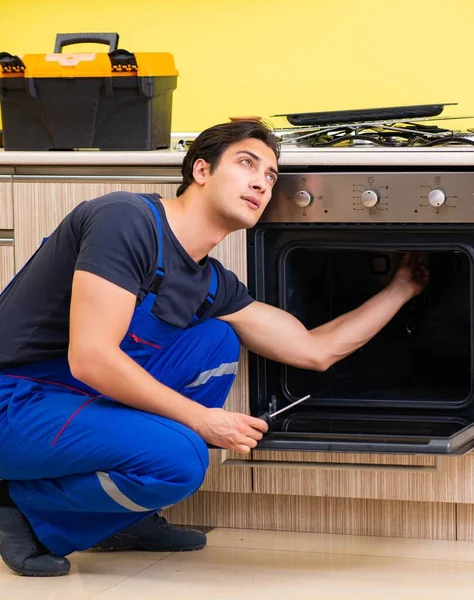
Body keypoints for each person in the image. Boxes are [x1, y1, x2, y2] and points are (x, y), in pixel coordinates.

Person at [0, 121, 429, 577]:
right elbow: (91, 357)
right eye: (247, 163)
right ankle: (20, 507)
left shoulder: (211, 283)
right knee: (181, 460)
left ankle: (117, 520)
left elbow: (313, 350)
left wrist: (402, 288)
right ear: (201, 170)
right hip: (14, 401)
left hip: (63, 402)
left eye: (270, 176)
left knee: (217, 340)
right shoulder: (125, 220)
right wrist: (203, 419)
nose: (261, 183)